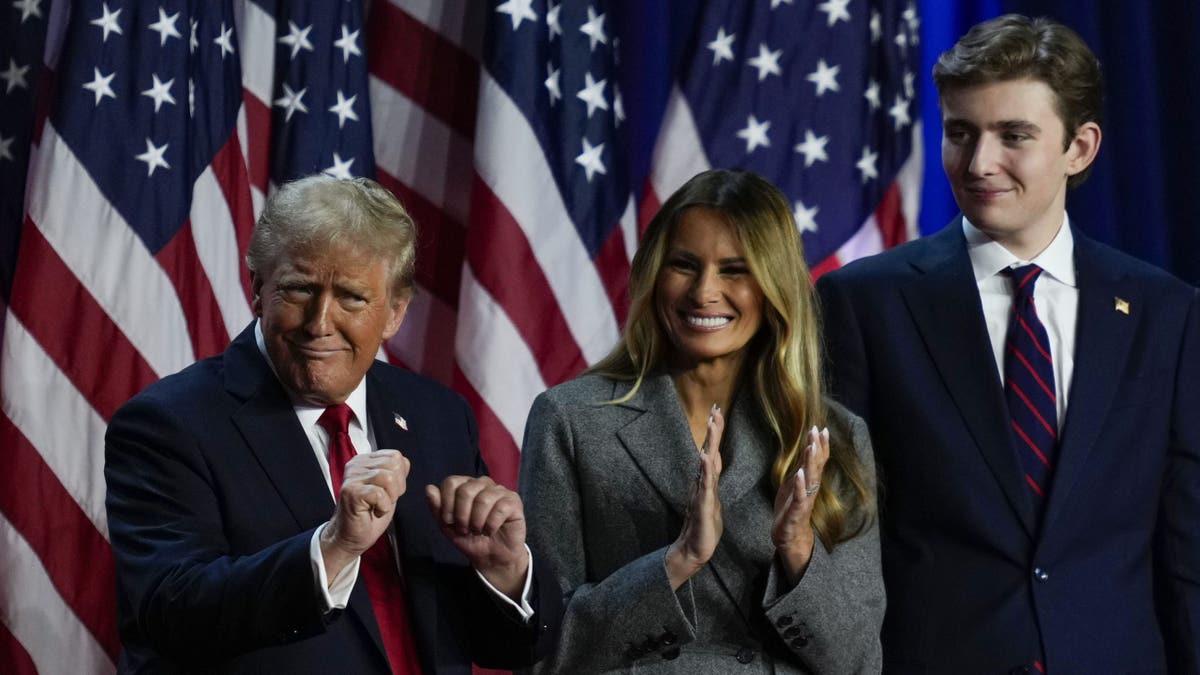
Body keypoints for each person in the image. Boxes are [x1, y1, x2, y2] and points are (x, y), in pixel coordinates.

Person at [817, 15, 1200, 673]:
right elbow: (839, 535)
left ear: (1079, 148)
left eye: (1013, 136)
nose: (978, 163)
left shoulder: (1166, 312)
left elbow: (1187, 545)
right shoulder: (865, 302)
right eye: (960, 134)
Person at [104, 175, 562, 674]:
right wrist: (334, 547)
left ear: (395, 314)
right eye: (299, 289)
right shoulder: (169, 423)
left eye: (351, 297)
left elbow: (508, 647)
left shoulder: (437, 415)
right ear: (258, 289)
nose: (320, 322)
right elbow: (168, 613)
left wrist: (503, 572)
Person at [519, 169, 884, 673]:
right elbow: (544, 648)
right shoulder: (571, 420)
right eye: (684, 265)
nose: (704, 292)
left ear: (774, 286)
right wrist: (677, 561)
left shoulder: (835, 437)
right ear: (654, 274)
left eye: (735, 270)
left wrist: (797, 548)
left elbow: (860, 661)